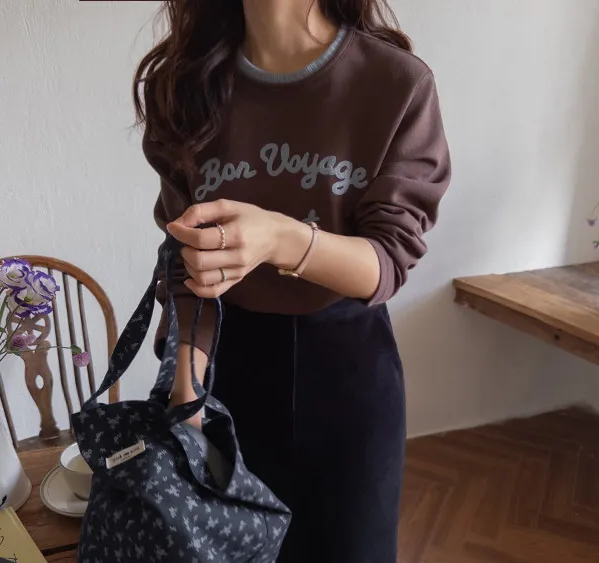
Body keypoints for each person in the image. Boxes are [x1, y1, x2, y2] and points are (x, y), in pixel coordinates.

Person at [134, 0, 450, 561]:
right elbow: (185, 260)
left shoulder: (396, 83)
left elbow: (388, 260)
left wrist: (280, 238)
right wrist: (187, 383)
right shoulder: (181, 84)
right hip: (227, 376)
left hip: (349, 377)